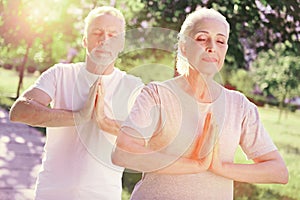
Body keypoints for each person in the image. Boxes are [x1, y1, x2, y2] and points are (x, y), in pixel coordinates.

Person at [111, 8, 289, 199]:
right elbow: (122, 153)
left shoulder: (240, 106)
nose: (212, 46)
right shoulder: (156, 95)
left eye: (220, 41)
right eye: (202, 38)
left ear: (225, 50)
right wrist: (195, 165)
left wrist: (220, 167)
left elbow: (278, 171)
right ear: (184, 47)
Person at [9, 6, 143, 200]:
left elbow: (146, 137)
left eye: (112, 35)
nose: (104, 40)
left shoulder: (133, 86)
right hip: (52, 193)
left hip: (103, 195)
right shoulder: (61, 74)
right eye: (97, 33)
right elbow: (19, 111)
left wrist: (104, 121)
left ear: (121, 43)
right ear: (85, 40)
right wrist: (79, 116)